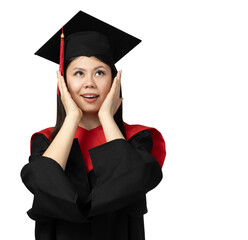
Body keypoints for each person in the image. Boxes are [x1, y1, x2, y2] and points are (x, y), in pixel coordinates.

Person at [20, 11, 166, 240]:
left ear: (115, 81)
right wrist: (71, 119)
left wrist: (107, 117)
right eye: (78, 73)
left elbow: (131, 181)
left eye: (100, 72)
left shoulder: (138, 139)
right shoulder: (45, 141)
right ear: (63, 82)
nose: (89, 83)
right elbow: (42, 183)